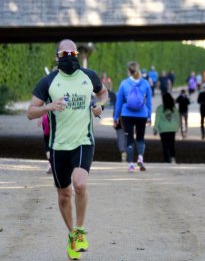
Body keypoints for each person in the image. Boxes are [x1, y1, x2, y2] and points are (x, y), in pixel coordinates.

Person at [27, 39, 108, 260]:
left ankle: (80, 231)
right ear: (58, 57)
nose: (70, 57)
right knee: (64, 195)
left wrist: (101, 106)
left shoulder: (88, 76)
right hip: (58, 146)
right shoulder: (48, 82)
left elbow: (104, 93)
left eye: (73, 52)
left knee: (80, 184)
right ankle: (72, 235)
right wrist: (48, 107)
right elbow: (30, 112)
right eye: (65, 54)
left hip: (83, 140)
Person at [114, 61, 152, 172]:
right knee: (140, 138)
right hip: (142, 114)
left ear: (128, 71)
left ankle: (131, 164)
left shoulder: (124, 83)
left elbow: (119, 103)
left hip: (127, 114)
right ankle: (140, 157)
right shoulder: (145, 83)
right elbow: (149, 102)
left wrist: (116, 118)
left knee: (129, 139)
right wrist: (149, 116)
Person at [154, 93, 179, 163]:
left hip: (163, 129)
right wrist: (177, 127)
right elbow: (177, 118)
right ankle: (173, 157)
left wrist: (155, 129)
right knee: (172, 143)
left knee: (165, 145)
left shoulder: (159, 108)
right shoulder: (174, 109)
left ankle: (166, 159)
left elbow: (157, 119)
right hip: (172, 128)